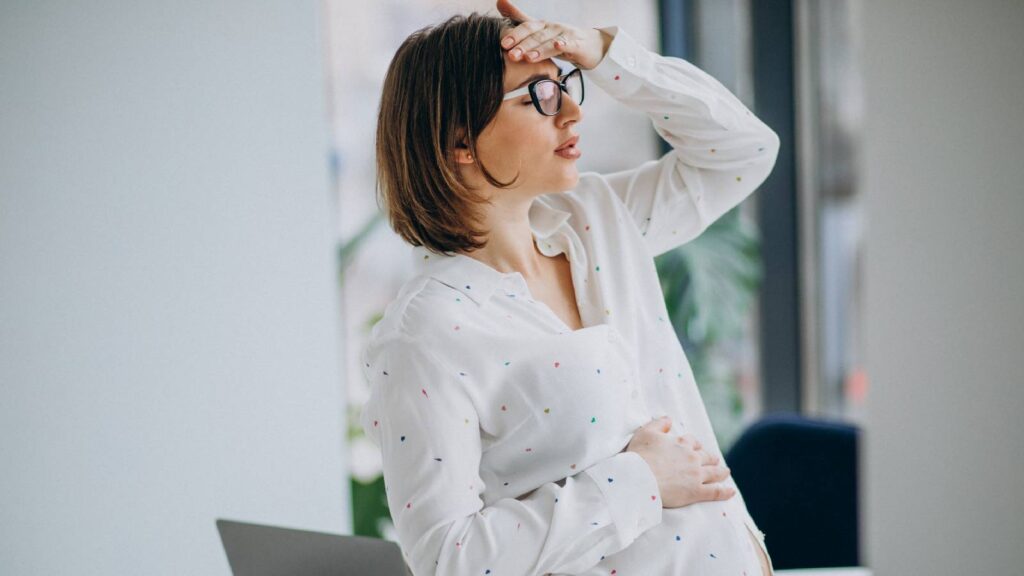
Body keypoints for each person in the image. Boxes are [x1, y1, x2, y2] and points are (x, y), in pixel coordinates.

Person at [360, 1, 780, 574]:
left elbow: (742, 151)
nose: (574, 113)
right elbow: (448, 559)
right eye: (540, 95)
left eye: (567, 86)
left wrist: (606, 53)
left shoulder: (598, 219)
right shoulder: (425, 332)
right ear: (459, 140)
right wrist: (639, 481)